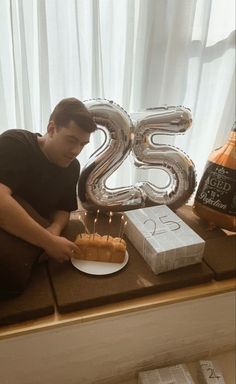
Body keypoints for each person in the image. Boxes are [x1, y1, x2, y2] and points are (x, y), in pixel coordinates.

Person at [0, 97, 97, 296]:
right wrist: (48, 242)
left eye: (83, 144)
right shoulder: (16, 143)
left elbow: (63, 208)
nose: (76, 151)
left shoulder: (72, 167)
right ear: (51, 128)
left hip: (34, 243)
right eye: (71, 140)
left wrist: (55, 229)